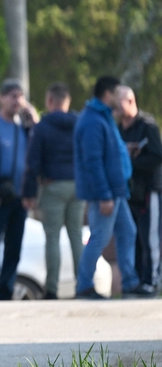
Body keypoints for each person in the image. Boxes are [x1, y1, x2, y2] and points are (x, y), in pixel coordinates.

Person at [73, 76, 155, 299]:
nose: (119, 99)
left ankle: (129, 281)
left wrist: (123, 150)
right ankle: (84, 285)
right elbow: (93, 161)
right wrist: (104, 196)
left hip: (116, 190)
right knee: (99, 236)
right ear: (107, 94)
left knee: (127, 232)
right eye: (117, 93)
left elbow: (108, 152)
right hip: (106, 192)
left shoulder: (103, 117)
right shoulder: (92, 120)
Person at [21, 82, 84, 300]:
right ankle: (83, 284)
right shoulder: (79, 123)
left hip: (53, 186)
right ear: (68, 101)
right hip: (77, 185)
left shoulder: (44, 126)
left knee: (53, 238)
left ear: (50, 101)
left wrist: (28, 193)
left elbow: (33, 162)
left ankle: (52, 288)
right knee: (76, 236)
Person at [0, 79, 38, 300]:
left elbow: (37, 154)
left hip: (20, 195)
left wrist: (35, 121)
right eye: (12, 96)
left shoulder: (25, 127)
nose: (17, 101)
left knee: (14, 246)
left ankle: (6, 289)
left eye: (20, 96)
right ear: (1, 98)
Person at [115, 85, 162, 291]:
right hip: (128, 192)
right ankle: (135, 281)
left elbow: (156, 156)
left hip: (148, 190)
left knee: (150, 237)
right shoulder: (118, 129)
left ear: (131, 101)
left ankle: (151, 281)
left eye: (118, 105)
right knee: (131, 236)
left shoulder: (147, 126)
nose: (116, 110)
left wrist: (130, 161)